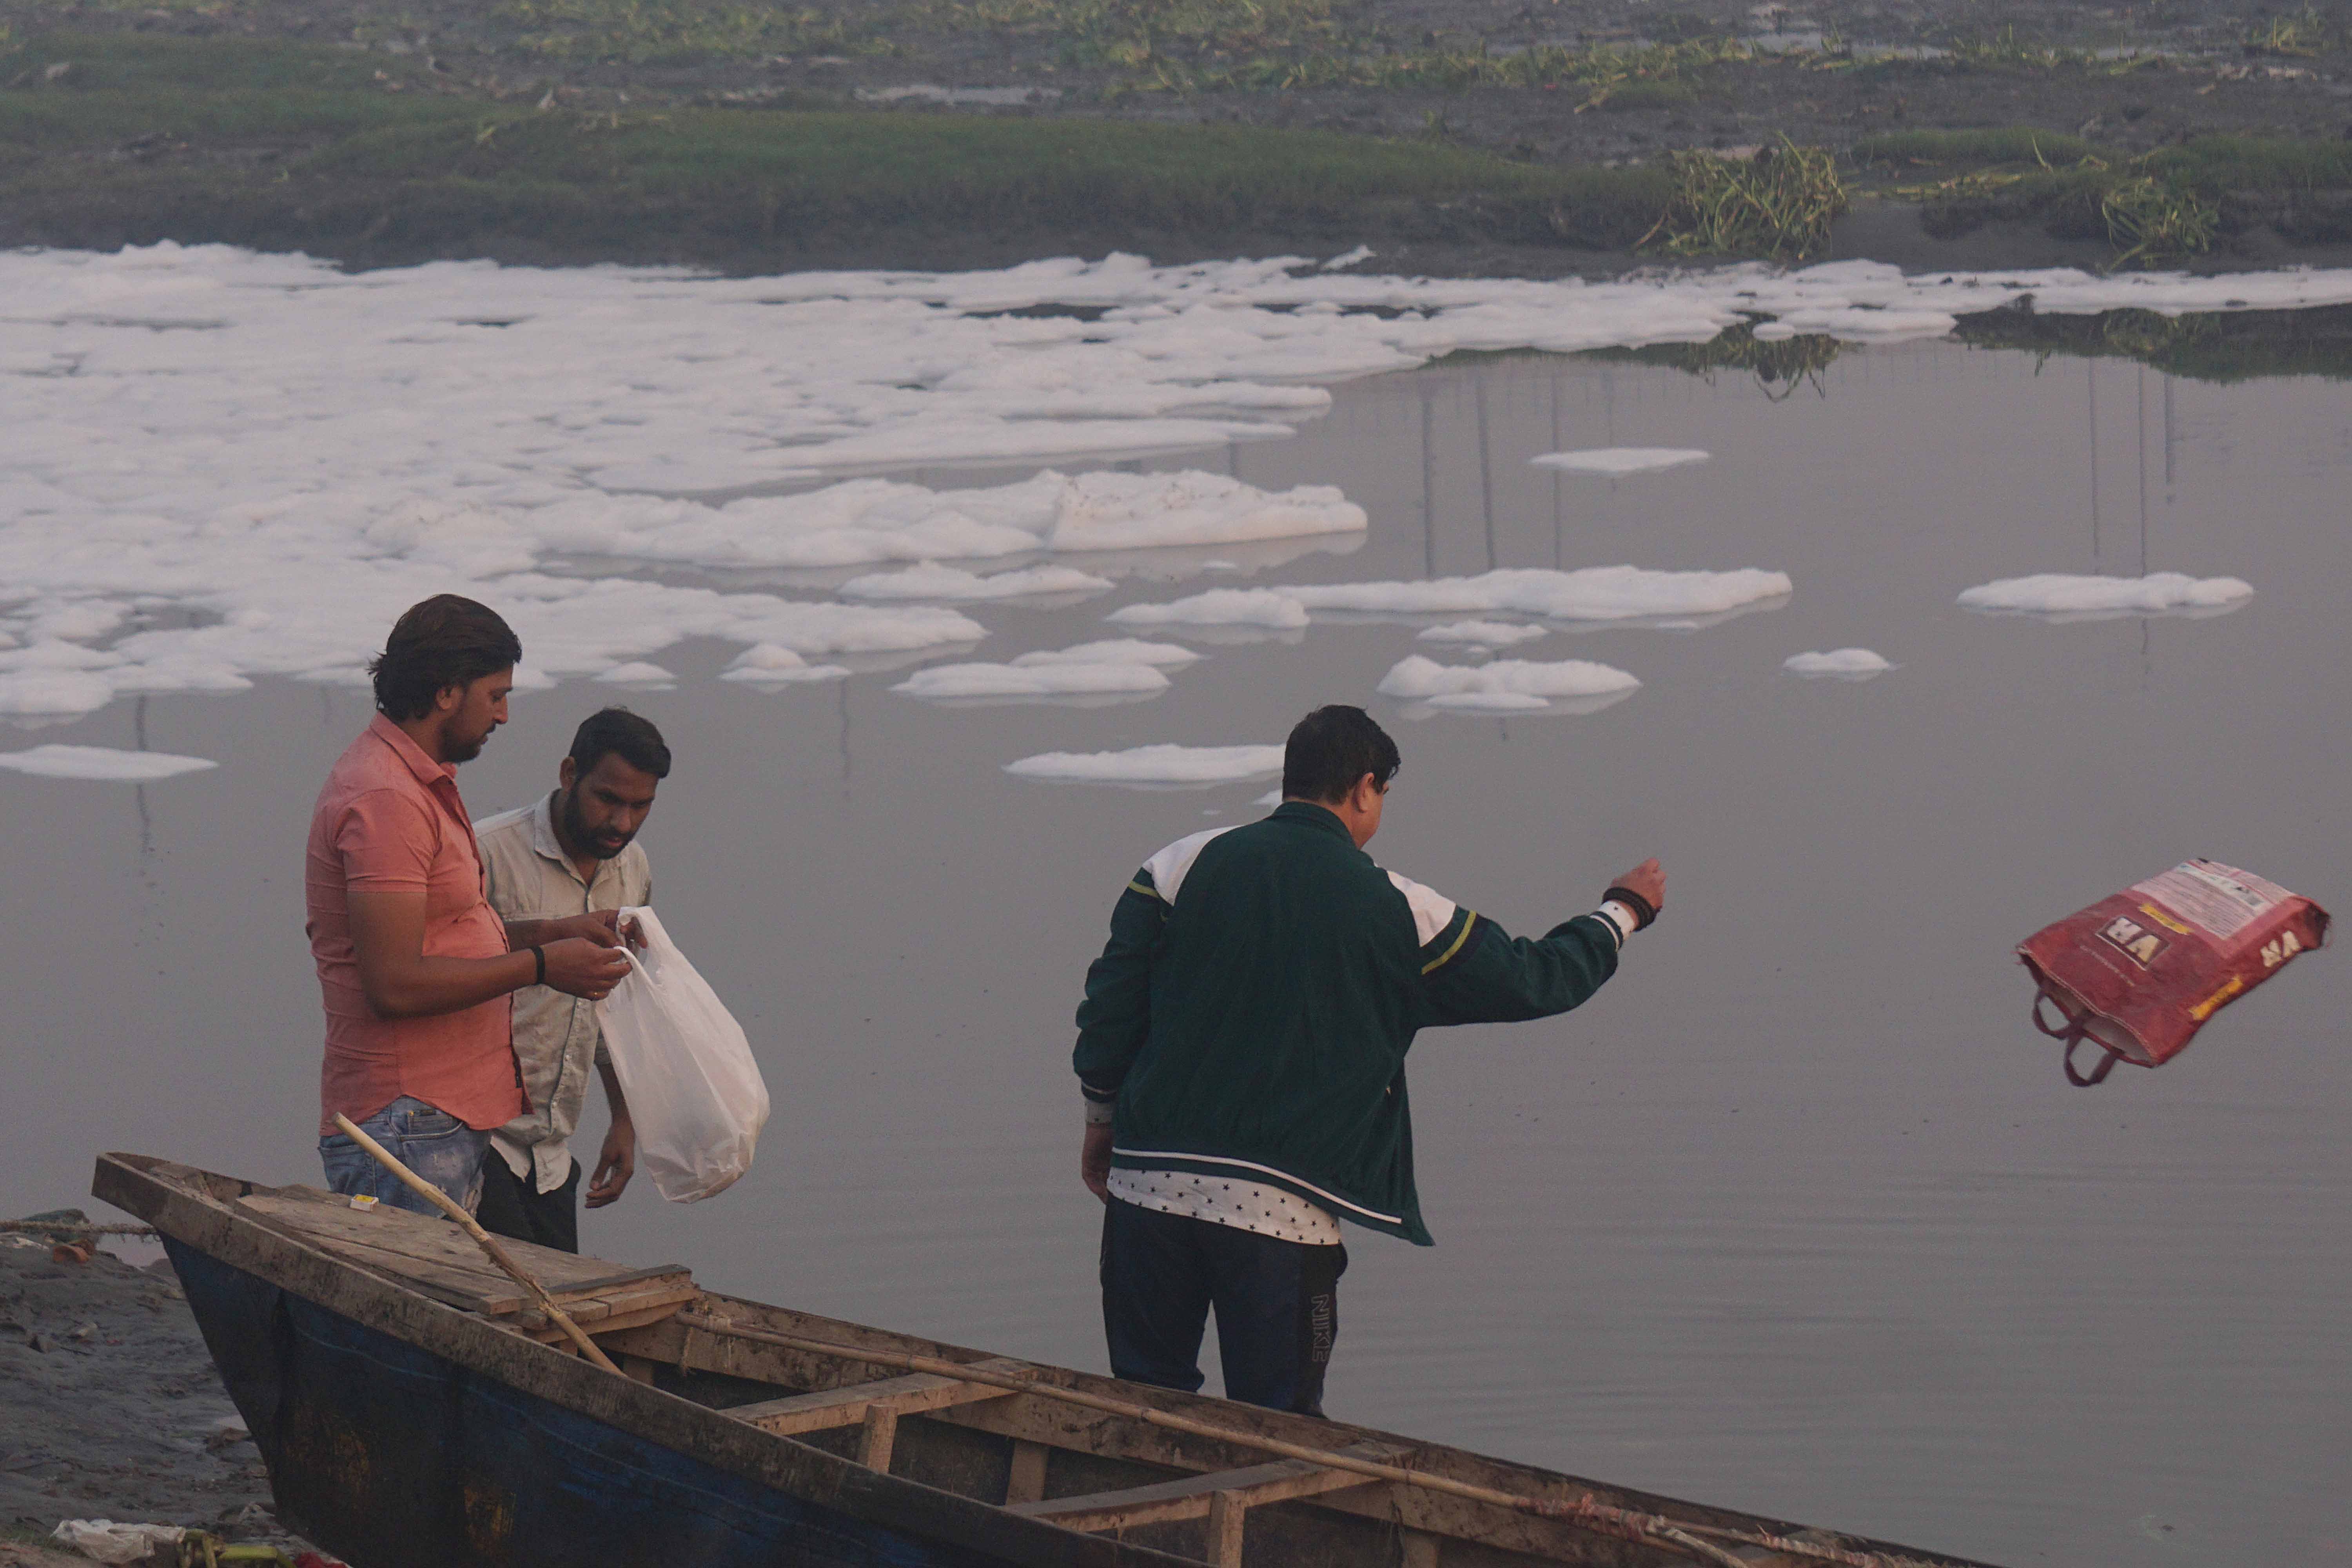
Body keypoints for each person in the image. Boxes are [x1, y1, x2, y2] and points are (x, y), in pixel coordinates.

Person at [1072, 704, 1665, 1416]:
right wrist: (1621, 913)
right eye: (1382, 792)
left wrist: (1101, 1120)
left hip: (1147, 1193)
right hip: (1282, 1216)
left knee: (1143, 1408)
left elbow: (1110, 1012)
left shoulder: (1175, 868)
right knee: (1281, 1428)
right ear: (1363, 789)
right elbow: (1535, 979)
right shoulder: (1399, 911)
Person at [307, 595, 632, 1218]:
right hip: (405, 1117)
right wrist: (542, 964)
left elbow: (445, 942)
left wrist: (558, 930)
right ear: (447, 692)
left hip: (435, 1118)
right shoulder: (387, 798)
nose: (504, 715)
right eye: (496, 695)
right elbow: (395, 984)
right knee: (408, 1309)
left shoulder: (419, 782)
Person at [473, 708, 670, 1252]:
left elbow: (615, 1002)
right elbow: (433, 963)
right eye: (608, 799)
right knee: (514, 1309)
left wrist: (624, 1121)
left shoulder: (632, 868)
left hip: (550, 1153)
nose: (622, 824)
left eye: (641, 806)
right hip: (472, 1139)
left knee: (559, 1314)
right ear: (568, 774)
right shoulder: (486, 854)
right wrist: (542, 944)